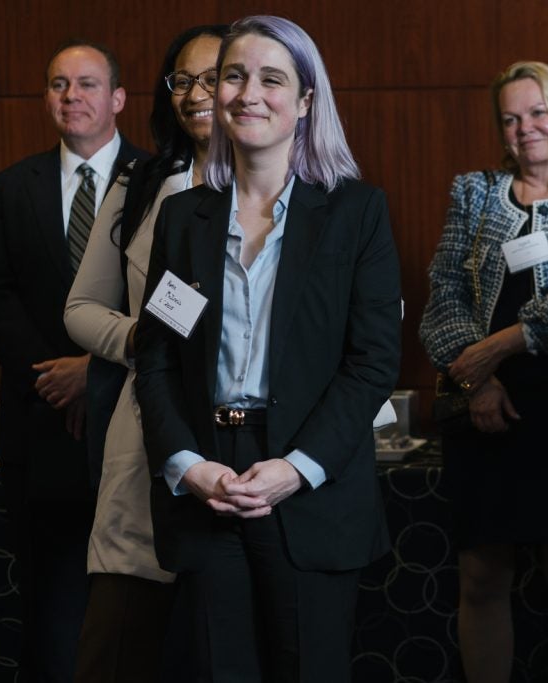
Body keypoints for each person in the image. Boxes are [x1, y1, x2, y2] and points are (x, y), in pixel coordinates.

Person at [133, 15, 401, 682]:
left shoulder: (356, 213)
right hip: (207, 483)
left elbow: (371, 364)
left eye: (271, 79)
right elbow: (158, 360)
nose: (248, 92)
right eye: (233, 75)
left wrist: (296, 467)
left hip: (309, 487)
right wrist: (186, 463)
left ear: (307, 101)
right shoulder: (181, 217)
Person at [419, 61, 548, 681]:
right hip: (480, 401)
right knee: (482, 573)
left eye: (538, 113)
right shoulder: (473, 193)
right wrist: (478, 379)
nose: (526, 129)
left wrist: (501, 345)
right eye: (511, 118)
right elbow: (442, 294)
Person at [63, 24, 228, 682]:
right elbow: (80, 308)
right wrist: (140, 339)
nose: (197, 94)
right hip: (147, 428)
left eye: (214, 77)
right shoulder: (139, 183)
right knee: (118, 644)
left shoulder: (295, 188)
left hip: (248, 439)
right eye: (182, 80)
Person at [0, 40, 147, 682]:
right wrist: (59, 378)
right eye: (58, 84)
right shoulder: (6, 188)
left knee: (137, 604)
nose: (70, 97)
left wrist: (97, 371)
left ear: (116, 99)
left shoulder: (162, 177)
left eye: (86, 84)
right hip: (41, 421)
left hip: (135, 421)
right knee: (49, 605)